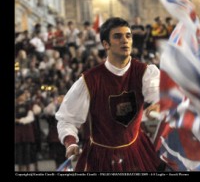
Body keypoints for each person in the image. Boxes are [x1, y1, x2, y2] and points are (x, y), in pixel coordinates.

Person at [55, 17, 164, 171]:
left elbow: (161, 100)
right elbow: (66, 119)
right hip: (100, 157)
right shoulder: (88, 81)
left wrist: (157, 107)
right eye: (117, 36)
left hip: (137, 149)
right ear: (106, 44)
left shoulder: (146, 72)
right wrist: (71, 142)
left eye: (128, 36)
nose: (125, 40)